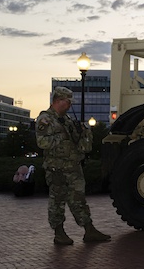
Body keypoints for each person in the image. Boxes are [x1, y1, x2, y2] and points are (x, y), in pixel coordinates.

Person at [35, 86, 111, 245]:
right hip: (57, 168)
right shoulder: (45, 119)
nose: (70, 105)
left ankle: (89, 229)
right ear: (58, 100)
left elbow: (77, 142)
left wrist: (82, 132)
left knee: (78, 198)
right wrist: (63, 139)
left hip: (73, 167)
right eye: (67, 102)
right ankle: (59, 232)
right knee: (57, 200)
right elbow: (42, 142)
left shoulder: (67, 119)